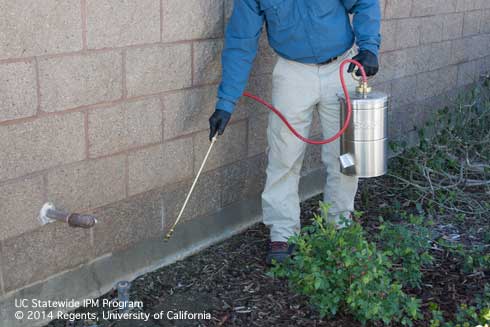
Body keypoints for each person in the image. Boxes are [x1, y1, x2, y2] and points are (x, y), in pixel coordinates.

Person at [209, 0, 381, 264]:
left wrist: (369, 48)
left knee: (346, 156)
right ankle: (283, 233)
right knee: (283, 156)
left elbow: (365, 3)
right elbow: (241, 42)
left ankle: (340, 228)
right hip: (292, 73)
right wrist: (226, 102)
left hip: (342, 67)